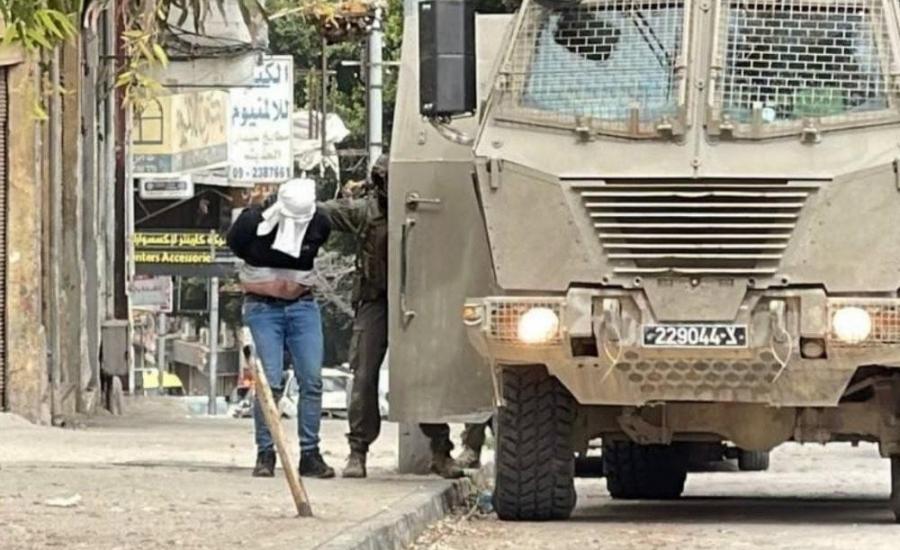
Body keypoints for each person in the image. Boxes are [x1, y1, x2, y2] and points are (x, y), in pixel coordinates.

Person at [319, 154, 463, 480]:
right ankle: (358, 451)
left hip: (418, 300)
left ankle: (441, 450)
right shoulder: (365, 211)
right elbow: (324, 212)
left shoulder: (428, 207)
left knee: (425, 374)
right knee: (364, 374)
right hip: (376, 299)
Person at [226, 178, 336, 479]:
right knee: (269, 381)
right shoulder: (252, 223)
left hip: (302, 305)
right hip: (263, 308)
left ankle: (310, 454)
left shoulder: (319, 223)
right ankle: (266, 452)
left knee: (312, 380)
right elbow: (236, 255)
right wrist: (265, 283)